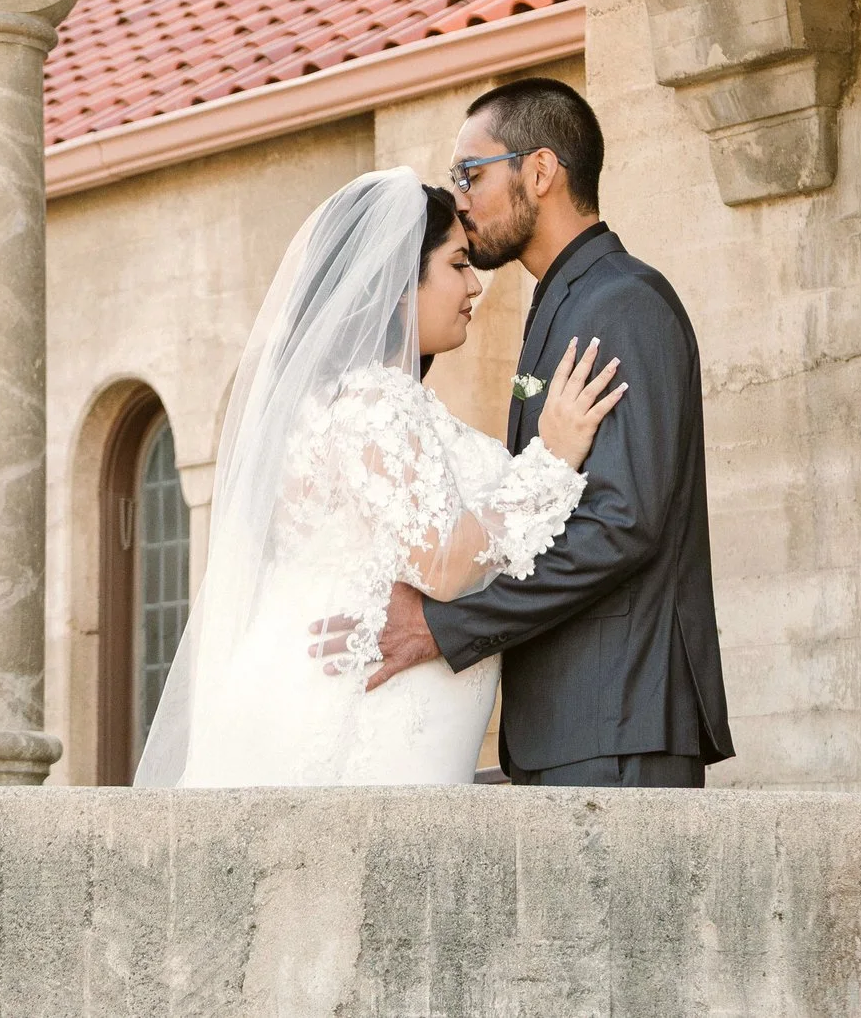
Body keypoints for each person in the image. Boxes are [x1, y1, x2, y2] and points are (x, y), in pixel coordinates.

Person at [133, 166, 625, 787]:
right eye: (457, 264)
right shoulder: (372, 403)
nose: (474, 286)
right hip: (371, 714)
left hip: (366, 699)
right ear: (398, 284)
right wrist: (552, 459)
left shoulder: (335, 403)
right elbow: (442, 565)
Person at [324, 77, 733, 789]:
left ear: (539, 171)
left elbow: (621, 523)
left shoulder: (624, 305)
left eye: (471, 174)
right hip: (570, 727)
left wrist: (445, 626)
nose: (459, 199)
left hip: (618, 718)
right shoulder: (565, 301)